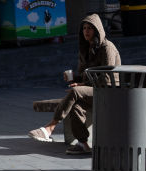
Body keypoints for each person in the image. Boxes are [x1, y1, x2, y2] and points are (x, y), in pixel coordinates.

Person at [28, 13, 120, 155]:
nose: (86, 31)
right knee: (76, 107)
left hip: (109, 91)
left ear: (98, 30)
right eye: (84, 28)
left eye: (90, 28)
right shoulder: (86, 48)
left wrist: (82, 85)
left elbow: (107, 78)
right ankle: (83, 144)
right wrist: (74, 79)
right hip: (93, 91)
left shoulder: (107, 47)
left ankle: (50, 127)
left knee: (75, 92)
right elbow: (85, 75)